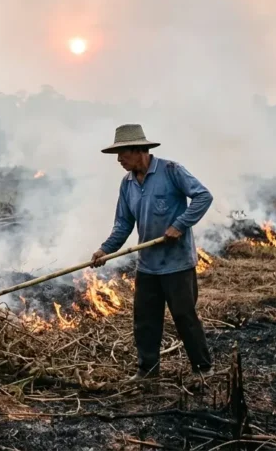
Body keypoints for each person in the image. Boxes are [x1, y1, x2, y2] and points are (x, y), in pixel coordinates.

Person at [90, 124, 214, 380]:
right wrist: (105, 249)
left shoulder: (171, 171)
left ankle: (202, 369)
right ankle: (148, 371)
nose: (119, 160)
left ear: (139, 150)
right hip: (147, 266)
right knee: (145, 320)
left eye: (123, 153)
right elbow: (123, 224)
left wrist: (179, 226)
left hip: (178, 264)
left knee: (184, 316)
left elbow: (203, 196)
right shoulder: (127, 184)